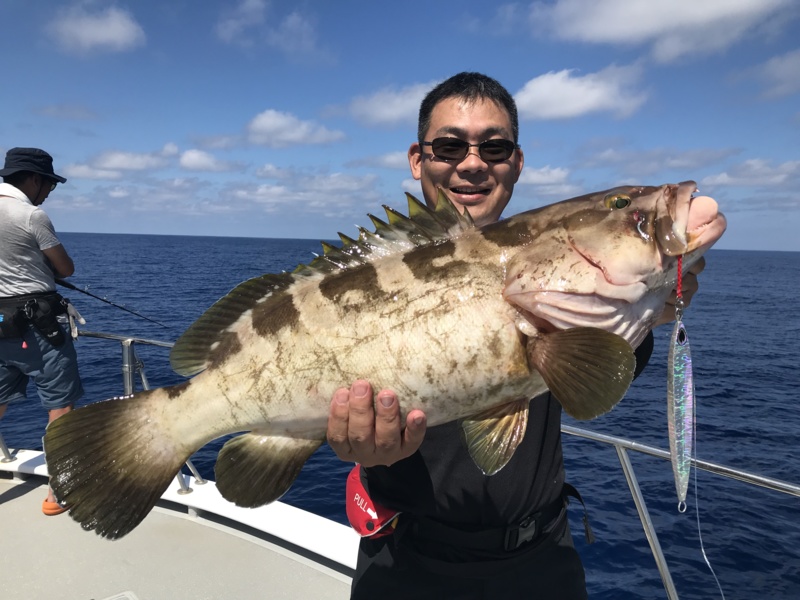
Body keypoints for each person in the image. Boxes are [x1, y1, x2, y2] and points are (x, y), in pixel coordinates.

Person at [326, 73, 704, 599]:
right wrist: (360, 445)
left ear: (517, 163)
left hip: (541, 560)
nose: (473, 162)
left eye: (495, 147)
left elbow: (592, 377)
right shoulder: (370, 282)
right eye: (449, 145)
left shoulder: (551, 275)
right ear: (418, 159)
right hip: (406, 560)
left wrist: (646, 305)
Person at [0, 147, 84, 516]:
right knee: (60, 407)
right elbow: (65, 269)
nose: (49, 191)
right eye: (48, 183)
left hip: (1, 327)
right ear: (33, 180)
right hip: (39, 330)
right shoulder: (32, 215)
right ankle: (57, 494)